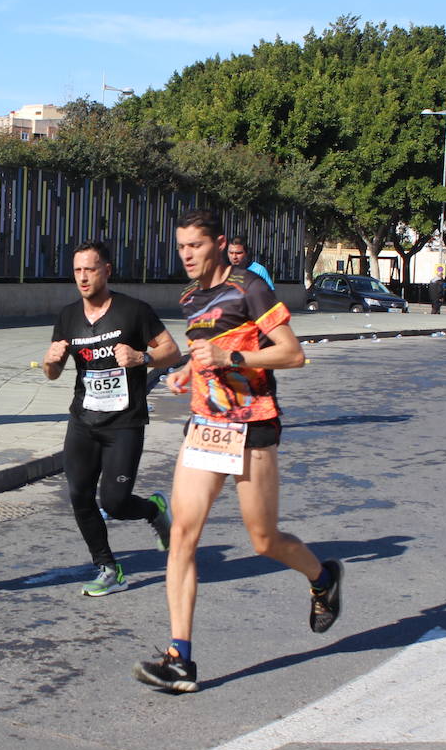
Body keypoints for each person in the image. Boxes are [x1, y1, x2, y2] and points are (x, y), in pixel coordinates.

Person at [133, 209, 342, 693]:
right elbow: (206, 347)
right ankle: (179, 658)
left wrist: (232, 358)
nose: (186, 254)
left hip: (253, 427)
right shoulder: (190, 298)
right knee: (183, 535)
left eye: (195, 246)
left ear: (219, 244)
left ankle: (321, 576)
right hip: (205, 426)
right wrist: (191, 370)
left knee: (264, 540)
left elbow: (293, 353)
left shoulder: (250, 288)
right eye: (181, 245)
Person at [44, 242, 181, 596]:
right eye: (77, 270)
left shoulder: (134, 311)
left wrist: (142, 358)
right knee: (79, 496)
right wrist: (51, 360)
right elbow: (52, 373)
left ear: (107, 270)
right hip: (84, 421)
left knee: (115, 503)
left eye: (90, 269)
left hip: (124, 423)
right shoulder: (68, 316)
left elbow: (172, 351)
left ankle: (152, 509)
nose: (83, 277)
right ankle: (108, 567)